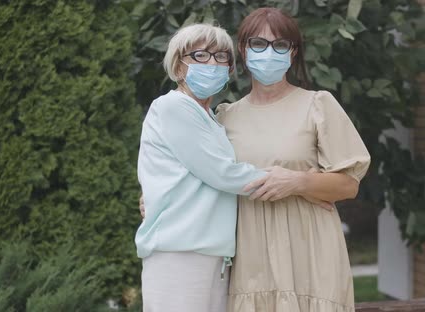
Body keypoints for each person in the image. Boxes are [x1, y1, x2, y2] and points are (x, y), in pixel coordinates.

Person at [135, 23, 331, 312]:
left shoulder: (211, 118)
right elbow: (223, 173)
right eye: (200, 56)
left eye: (221, 57)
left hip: (211, 255)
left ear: (229, 71)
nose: (212, 63)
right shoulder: (172, 107)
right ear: (179, 67)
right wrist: (299, 184)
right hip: (180, 253)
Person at [216, 8, 371, 311]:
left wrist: (298, 181)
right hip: (251, 258)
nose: (268, 53)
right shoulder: (225, 118)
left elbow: (349, 186)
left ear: (293, 51)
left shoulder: (318, 106)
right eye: (258, 44)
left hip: (311, 252)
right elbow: (202, 177)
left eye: (280, 45)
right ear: (243, 49)